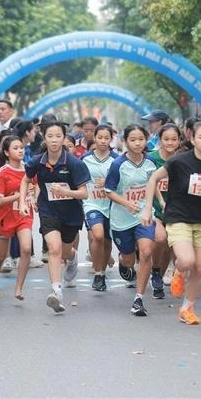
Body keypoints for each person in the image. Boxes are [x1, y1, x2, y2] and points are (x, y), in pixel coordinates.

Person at [142, 121, 201, 325]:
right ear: (192, 139)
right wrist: (147, 208)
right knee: (187, 261)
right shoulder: (179, 162)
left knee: (199, 267)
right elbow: (154, 179)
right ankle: (179, 270)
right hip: (178, 217)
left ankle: (186, 308)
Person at [19, 121, 90, 313]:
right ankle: (56, 292)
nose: (54, 140)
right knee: (54, 248)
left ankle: (72, 259)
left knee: (66, 251)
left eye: (58, 136)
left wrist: (66, 192)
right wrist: (23, 202)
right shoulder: (37, 161)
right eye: (50, 136)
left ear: (64, 138)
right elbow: (25, 180)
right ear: (44, 137)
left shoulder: (74, 163)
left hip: (71, 213)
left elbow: (84, 193)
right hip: (48, 210)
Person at [105, 124, 158, 316]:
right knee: (128, 258)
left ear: (146, 140)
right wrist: (126, 203)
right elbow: (109, 191)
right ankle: (124, 261)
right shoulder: (118, 164)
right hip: (121, 218)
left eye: (141, 139)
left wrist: (157, 203)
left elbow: (153, 184)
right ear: (125, 141)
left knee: (146, 251)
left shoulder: (150, 162)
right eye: (133, 140)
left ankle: (139, 298)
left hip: (144, 214)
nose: (137, 143)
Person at [0, 136, 34, 300]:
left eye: (21, 147)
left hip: (24, 215)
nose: (20, 150)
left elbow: (35, 186)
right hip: (5, 216)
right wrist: (17, 197)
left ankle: (18, 288)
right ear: (7, 152)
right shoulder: (2, 172)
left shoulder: (29, 169)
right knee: (1, 256)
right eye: (16, 148)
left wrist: (35, 199)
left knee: (26, 249)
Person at [81, 125, 118, 292]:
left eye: (106, 138)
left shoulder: (117, 161)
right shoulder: (84, 159)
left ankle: (102, 273)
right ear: (94, 138)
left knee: (107, 240)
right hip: (92, 203)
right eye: (100, 137)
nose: (103, 141)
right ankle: (97, 272)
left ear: (111, 139)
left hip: (112, 205)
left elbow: (123, 184)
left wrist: (109, 182)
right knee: (98, 235)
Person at [148, 123, 182, 295]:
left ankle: (158, 278)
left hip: (176, 210)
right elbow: (150, 181)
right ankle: (155, 270)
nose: (170, 143)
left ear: (179, 141)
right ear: (159, 140)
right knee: (160, 238)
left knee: (169, 244)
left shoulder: (183, 159)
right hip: (155, 208)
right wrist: (160, 200)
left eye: (174, 139)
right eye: (166, 139)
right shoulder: (151, 158)